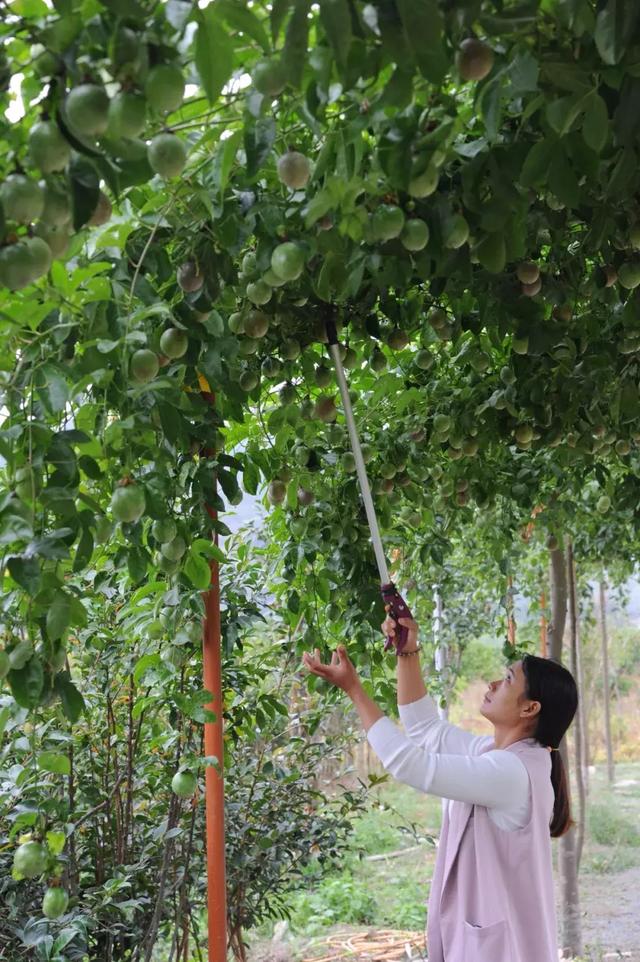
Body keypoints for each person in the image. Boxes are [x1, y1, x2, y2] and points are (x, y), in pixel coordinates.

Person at [302, 614, 579, 962]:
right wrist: (408, 651)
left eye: (508, 679)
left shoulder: (511, 772)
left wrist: (355, 691)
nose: (493, 683)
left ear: (530, 708)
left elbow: (412, 764)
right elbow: (426, 729)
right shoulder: (495, 754)